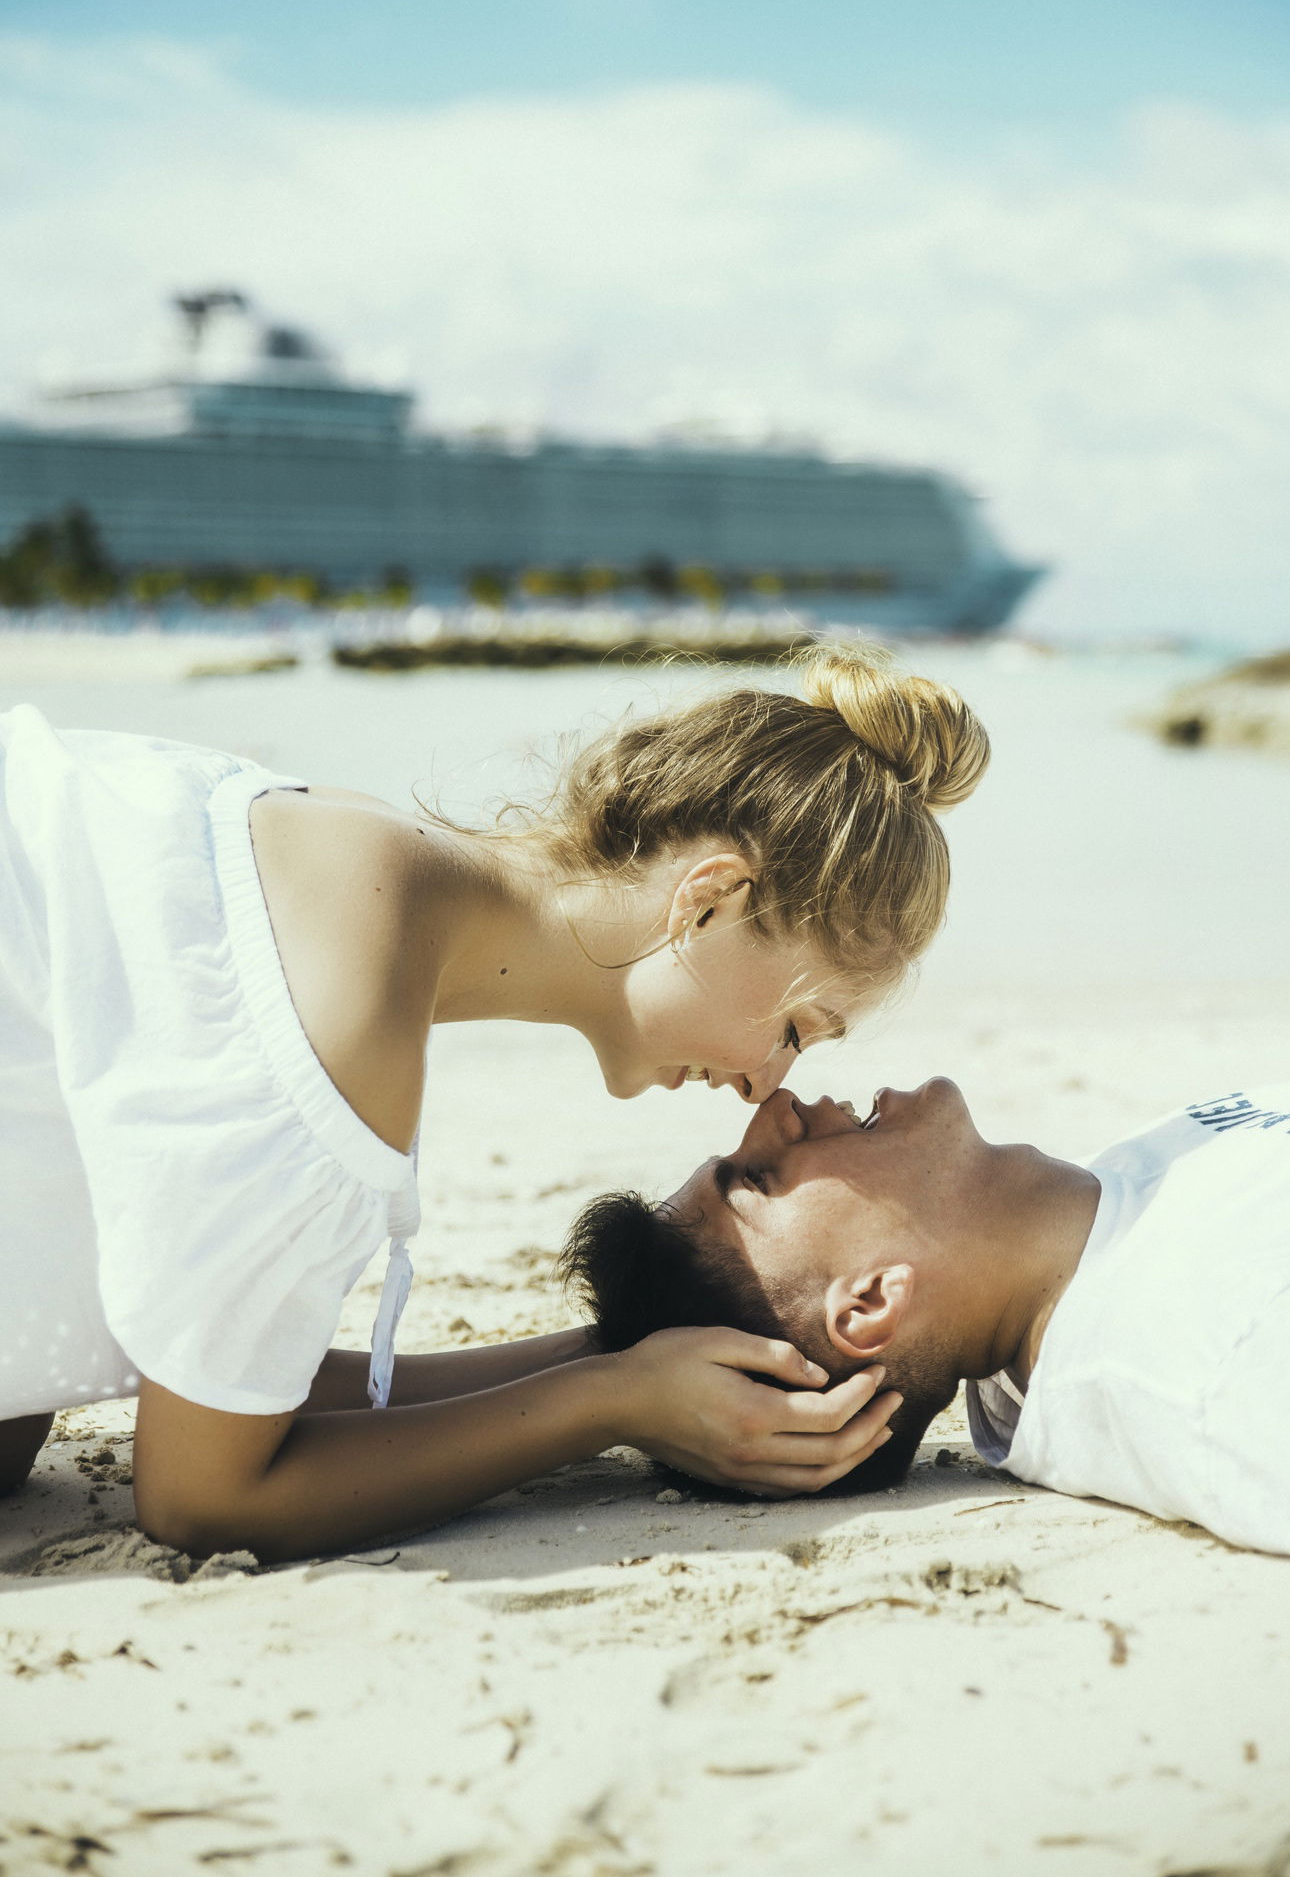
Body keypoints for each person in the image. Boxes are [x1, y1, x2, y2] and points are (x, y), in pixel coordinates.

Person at [0, 648, 989, 1561]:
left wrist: (628, 1358)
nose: (767, 1084)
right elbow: (204, 1494)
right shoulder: (344, 1014)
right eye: (795, 1024)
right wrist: (603, 1403)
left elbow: (224, 1380)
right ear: (708, 900)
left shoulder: (341, 851)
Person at [561, 1078, 1290, 1553]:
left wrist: (624, 1372)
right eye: (758, 1177)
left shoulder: (1086, 1217)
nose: (775, 1107)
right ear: (872, 1299)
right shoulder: (1208, 1364)